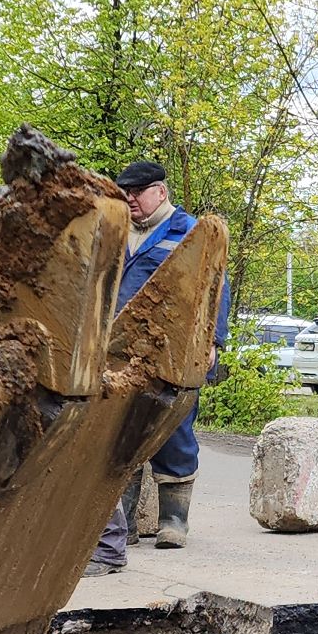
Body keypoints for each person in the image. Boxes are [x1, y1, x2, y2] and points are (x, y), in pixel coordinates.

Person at [85, 161, 231, 577]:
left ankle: (173, 521)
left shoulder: (188, 232)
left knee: (174, 430)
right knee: (118, 431)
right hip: (117, 351)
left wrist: (213, 341)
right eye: (125, 193)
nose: (130, 199)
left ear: (161, 192)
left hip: (171, 350)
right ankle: (125, 524)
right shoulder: (115, 231)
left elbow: (216, 288)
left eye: (138, 192)